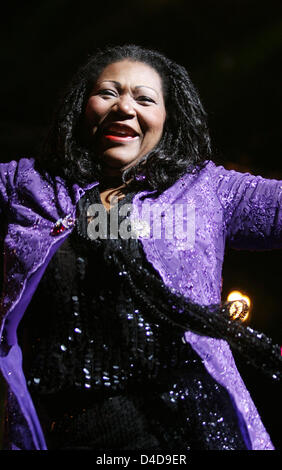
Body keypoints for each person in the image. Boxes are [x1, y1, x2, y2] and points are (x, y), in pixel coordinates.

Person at [0, 44, 281, 451]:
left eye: (144, 98)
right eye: (108, 93)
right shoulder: (27, 185)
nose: (124, 107)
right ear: (81, 109)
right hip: (71, 433)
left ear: (168, 120)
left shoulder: (206, 190)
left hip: (190, 436)